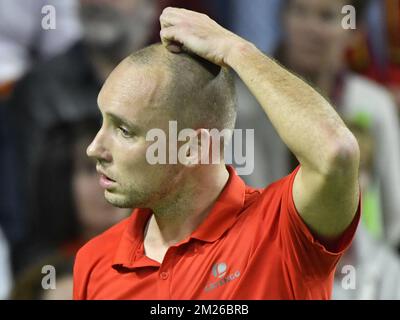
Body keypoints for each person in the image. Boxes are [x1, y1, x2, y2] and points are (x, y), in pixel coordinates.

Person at [73, 8, 361, 300]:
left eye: (124, 130)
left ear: (192, 148)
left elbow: (336, 152)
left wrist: (235, 49)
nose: (94, 148)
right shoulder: (94, 262)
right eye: (103, 122)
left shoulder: (282, 231)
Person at [236, 0, 400, 249]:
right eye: (298, 12)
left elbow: (394, 221)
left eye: (326, 17)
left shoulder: (374, 106)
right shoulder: (242, 104)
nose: (309, 28)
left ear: (356, 32)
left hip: (360, 275)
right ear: (282, 18)